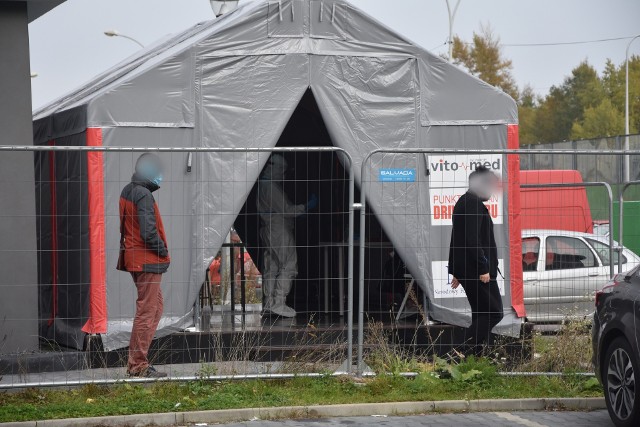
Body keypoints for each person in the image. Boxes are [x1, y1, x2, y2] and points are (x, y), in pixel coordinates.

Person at [117, 153, 170, 378]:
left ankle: (137, 362)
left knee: (155, 307)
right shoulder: (143, 194)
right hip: (147, 260)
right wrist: (163, 250)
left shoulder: (129, 190)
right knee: (148, 312)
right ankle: (138, 365)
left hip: (135, 257)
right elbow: (148, 232)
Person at [448, 165, 504, 357]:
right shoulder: (471, 203)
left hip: (470, 269)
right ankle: (461, 351)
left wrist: (458, 269)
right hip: (478, 272)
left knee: (481, 314)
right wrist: (483, 267)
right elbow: (472, 240)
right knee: (494, 313)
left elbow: (459, 238)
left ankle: (473, 357)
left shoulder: (467, 202)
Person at [257, 154, 317, 317]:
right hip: (278, 230)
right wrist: (305, 207)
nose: (284, 175)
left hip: (269, 229)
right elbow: (287, 210)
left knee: (272, 266)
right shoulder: (270, 187)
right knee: (289, 264)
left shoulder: (263, 185)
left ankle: (269, 303)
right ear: (276, 169)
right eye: (282, 171)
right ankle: (279, 303)